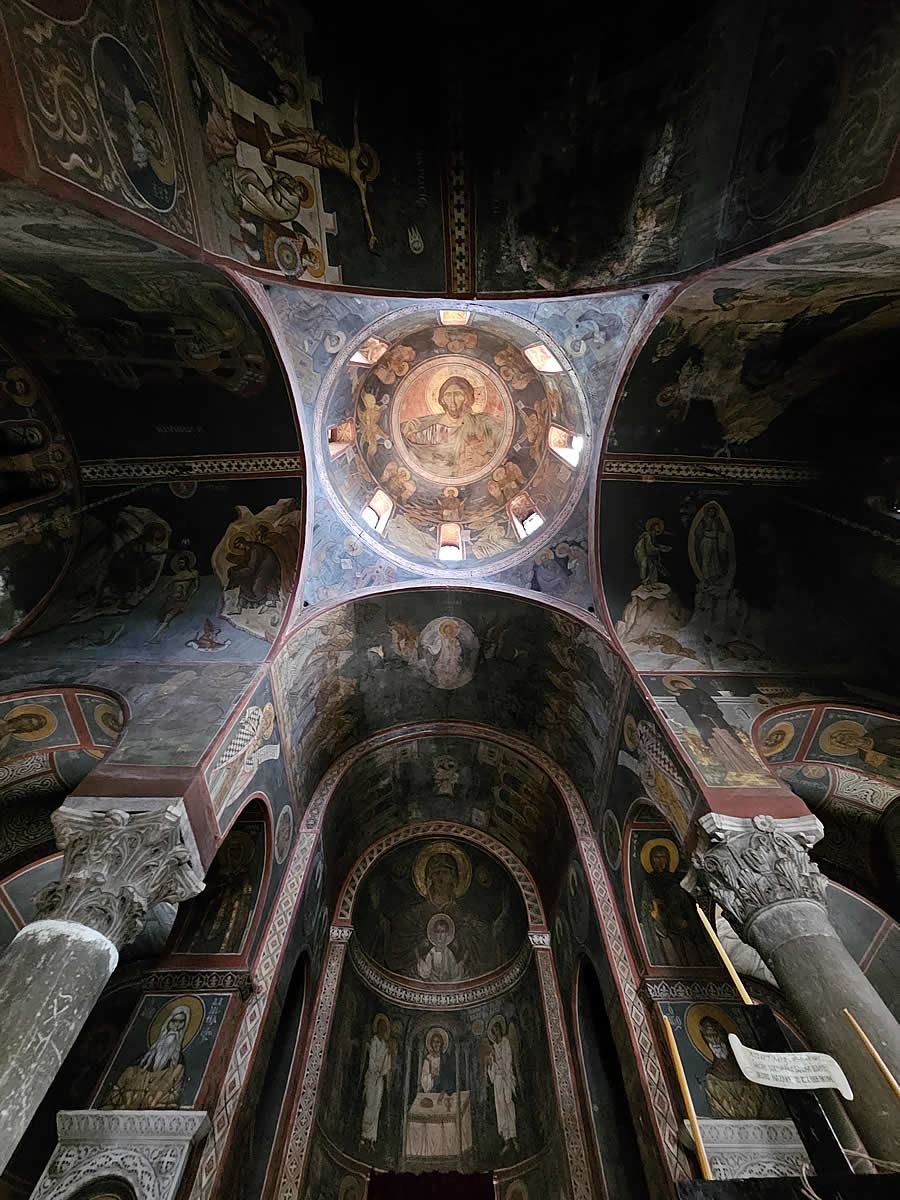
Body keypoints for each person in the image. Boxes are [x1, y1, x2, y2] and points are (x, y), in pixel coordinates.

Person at [401, 377, 504, 479]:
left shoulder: (482, 423)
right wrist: (406, 436)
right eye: (448, 395)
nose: (452, 401)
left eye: (458, 394)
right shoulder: (432, 430)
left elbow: (502, 436)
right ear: (442, 400)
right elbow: (413, 448)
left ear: (467, 398)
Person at [102, 1007, 189, 1110]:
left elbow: (172, 1092)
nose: (176, 1027)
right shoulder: (142, 1060)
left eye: (181, 1022)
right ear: (167, 1024)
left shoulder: (179, 1064)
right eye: (174, 1021)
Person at [699, 1017, 781, 1120]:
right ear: (705, 1041)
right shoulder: (711, 1081)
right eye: (709, 1036)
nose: (716, 1041)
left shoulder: (749, 1072)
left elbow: (770, 1109)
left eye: (718, 1034)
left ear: (726, 1036)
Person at [486, 1018, 518, 1151]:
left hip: (506, 1077)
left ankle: (514, 1136)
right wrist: (490, 1064)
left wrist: (506, 1074)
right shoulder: (492, 1048)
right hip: (498, 1080)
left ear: (501, 1029)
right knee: (500, 1108)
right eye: (494, 1032)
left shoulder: (505, 1042)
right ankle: (506, 1139)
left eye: (497, 1030)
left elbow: (508, 1059)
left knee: (509, 1104)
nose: (496, 1033)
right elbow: (491, 1071)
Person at [360, 1016, 393, 1147]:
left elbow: (387, 1065)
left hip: (379, 1078)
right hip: (371, 1076)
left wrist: (388, 1054)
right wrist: (375, 1071)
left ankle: (372, 1138)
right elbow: (371, 1060)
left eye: (385, 1028)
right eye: (381, 1027)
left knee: (377, 1105)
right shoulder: (373, 1041)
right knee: (369, 1104)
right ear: (377, 1028)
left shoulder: (385, 1045)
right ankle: (363, 1135)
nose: (382, 1030)